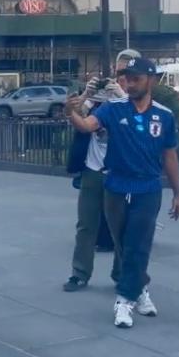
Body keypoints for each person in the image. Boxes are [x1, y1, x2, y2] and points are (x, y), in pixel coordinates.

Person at [72, 57, 179, 329]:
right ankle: (141, 289)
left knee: (139, 243)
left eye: (136, 78)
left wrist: (178, 194)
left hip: (148, 187)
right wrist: (71, 112)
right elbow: (87, 126)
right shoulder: (113, 109)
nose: (130, 83)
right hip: (116, 186)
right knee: (122, 243)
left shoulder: (164, 115)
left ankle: (124, 300)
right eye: (127, 78)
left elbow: (170, 156)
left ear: (151, 80)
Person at [63, 74, 126, 292]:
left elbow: (140, 117)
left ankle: (121, 274)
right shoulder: (93, 105)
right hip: (92, 170)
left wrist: (119, 94)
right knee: (85, 224)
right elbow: (75, 116)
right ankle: (79, 273)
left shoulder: (125, 103)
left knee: (121, 227)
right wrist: (86, 94)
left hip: (119, 171)